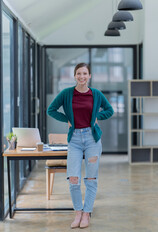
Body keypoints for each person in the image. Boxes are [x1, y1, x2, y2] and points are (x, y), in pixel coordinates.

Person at [47, 63, 114, 229]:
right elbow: (51, 110)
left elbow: (110, 110)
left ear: (89, 76)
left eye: (85, 73)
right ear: (75, 76)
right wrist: (67, 120)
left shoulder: (96, 94)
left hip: (92, 139)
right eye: (78, 73)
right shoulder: (66, 93)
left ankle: (86, 214)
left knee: (91, 179)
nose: (82, 76)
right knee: (73, 179)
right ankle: (78, 212)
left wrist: (98, 116)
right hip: (75, 140)